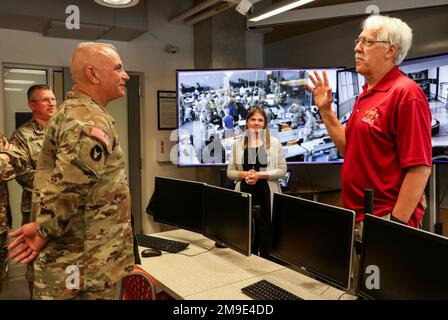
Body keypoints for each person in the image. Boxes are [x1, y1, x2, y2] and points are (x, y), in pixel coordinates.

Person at [305, 15, 432, 290]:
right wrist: (326, 112)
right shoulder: (366, 94)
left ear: (390, 50)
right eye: (358, 41)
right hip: (359, 217)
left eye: (367, 42)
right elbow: (349, 148)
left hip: (384, 219)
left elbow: (420, 167)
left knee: (382, 292)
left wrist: (392, 229)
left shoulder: (405, 94)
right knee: (361, 290)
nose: (357, 48)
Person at [7, 42, 135, 300]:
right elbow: (71, 185)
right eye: (118, 68)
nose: (126, 75)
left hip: (80, 259)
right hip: (84, 263)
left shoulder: (74, 112)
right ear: (93, 74)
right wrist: (44, 230)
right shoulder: (87, 119)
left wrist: (43, 226)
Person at [227, 107, 287, 258]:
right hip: (245, 193)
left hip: (267, 194)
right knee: (247, 235)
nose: (256, 123)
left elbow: (281, 171)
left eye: (260, 120)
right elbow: (230, 172)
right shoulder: (238, 145)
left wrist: (260, 175)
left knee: (266, 234)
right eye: (253, 119)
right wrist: (245, 174)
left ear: (265, 124)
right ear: (247, 122)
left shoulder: (274, 143)